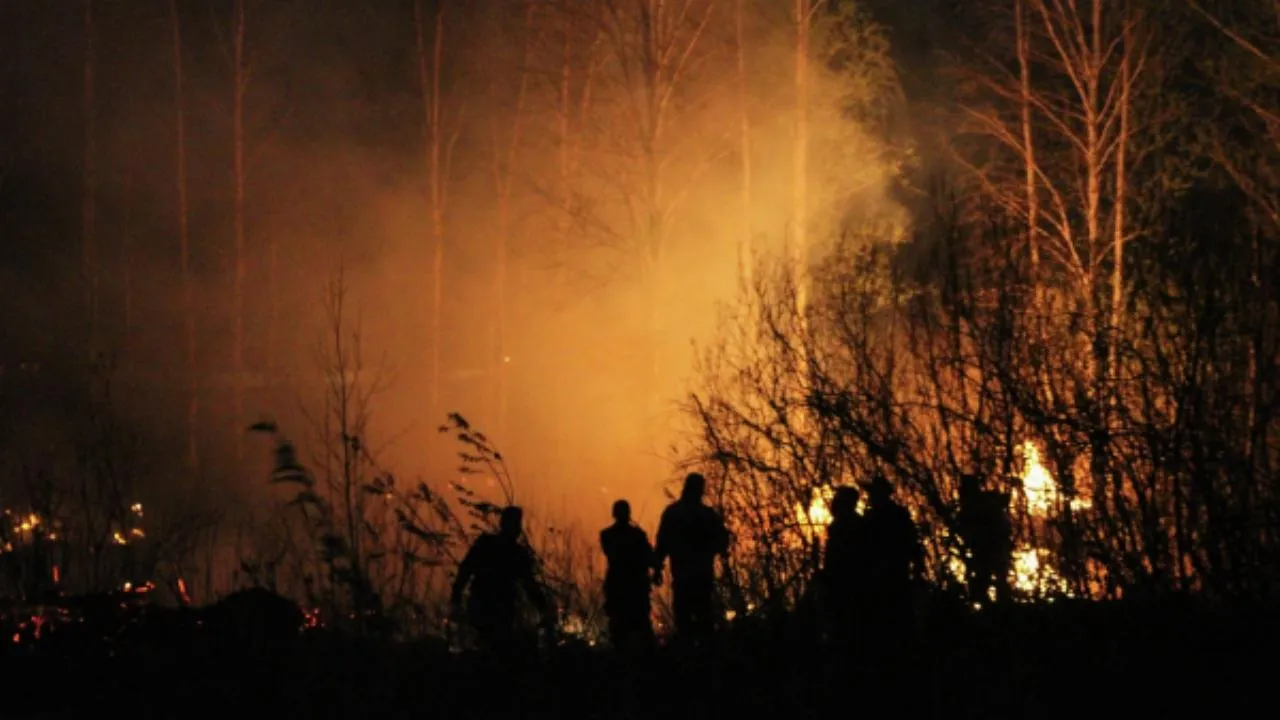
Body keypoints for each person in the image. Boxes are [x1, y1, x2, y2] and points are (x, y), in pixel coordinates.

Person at [450, 506, 552, 652]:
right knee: (495, 646)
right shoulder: (513, 553)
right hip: (496, 607)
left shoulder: (487, 545)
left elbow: (466, 569)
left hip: (486, 605)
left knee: (486, 645)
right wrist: (543, 607)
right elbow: (529, 585)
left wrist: (456, 594)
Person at [653, 473, 730, 645]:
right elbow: (723, 540)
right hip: (701, 575)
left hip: (683, 576)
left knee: (685, 621)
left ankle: (689, 659)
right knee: (704, 619)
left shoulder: (673, 513)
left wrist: (657, 568)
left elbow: (662, 543)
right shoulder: (707, 515)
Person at [860, 473, 922, 644]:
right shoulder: (897, 515)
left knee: (889, 620)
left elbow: (911, 543)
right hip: (890, 575)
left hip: (888, 575)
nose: (871, 498)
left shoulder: (882, 518)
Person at [600, 499, 656, 650]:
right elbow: (650, 558)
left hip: (618, 586)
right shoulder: (637, 535)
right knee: (640, 625)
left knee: (621, 627)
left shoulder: (607, 535)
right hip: (635, 586)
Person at [820, 485, 866, 645]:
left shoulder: (849, 526)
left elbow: (841, 561)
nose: (833, 503)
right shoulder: (847, 524)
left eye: (837, 500)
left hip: (846, 588)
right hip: (841, 586)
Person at [958, 473, 1013, 606]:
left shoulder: (978, 503)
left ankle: (1000, 607)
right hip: (987, 548)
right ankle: (995, 606)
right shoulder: (976, 503)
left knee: (991, 578)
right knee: (990, 578)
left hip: (990, 547)